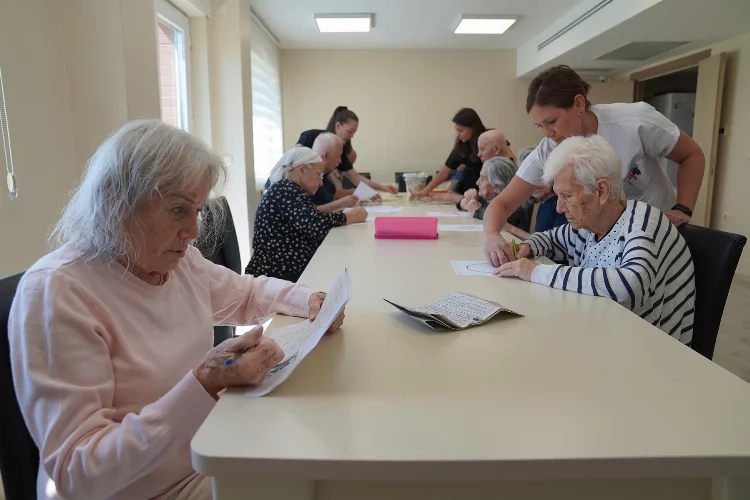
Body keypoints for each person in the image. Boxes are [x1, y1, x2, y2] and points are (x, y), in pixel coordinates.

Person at [8, 120, 347, 500]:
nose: (193, 230)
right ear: (118, 203)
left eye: (197, 210)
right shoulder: (58, 292)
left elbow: (247, 294)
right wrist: (204, 381)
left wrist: (309, 300)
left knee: (332, 461)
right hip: (144, 490)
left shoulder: (178, 262)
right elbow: (80, 471)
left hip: (208, 454)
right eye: (177, 210)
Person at [482, 65, 705, 266]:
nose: (548, 133)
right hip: (602, 239)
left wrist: (683, 208)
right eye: (540, 126)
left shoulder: (635, 122)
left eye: (551, 122)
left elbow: (692, 155)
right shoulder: (550, 146)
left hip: (650, 234)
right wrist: (491, 235)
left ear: (578, 104)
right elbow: (503, 202)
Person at [494, 135, 695, 343]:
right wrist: (527, 247)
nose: (559, 208)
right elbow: (552, 239)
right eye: (558, 196)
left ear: (601, 191)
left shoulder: (643, 224)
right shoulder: (591, 222)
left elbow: (628, 286)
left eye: (567, 196)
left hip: (651, 349)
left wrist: (535, 271)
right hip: (606, 332)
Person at [246, 147, 367, 282]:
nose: (321, 182)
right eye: (320, 175)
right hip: (276, 276)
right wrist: (350, 216)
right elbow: (314, 223)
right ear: (303, 169)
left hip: (285, 269)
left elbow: (310, 217)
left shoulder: (289, 189)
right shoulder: (285, 189)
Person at [296, 106, 398, 195]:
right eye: (350, 131)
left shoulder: (341, 150)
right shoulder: (310, 136)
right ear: (338, 126)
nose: (352, 136)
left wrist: (383, 187)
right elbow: (292, 159)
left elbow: (356, 178)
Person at [413, 108, 488, 198]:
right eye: (457, 131)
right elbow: (444, 172)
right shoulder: (461, 146)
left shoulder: (489, 138)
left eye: (461, 131)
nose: (458, 134)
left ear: (472, 128)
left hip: (487, 191)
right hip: (468, 193)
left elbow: (508, 159)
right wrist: (425, 190)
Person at [457, 157, 531, 233]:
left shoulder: (512, 206)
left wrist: (477, 211)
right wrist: (466, 201)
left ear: (497, 186)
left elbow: (494, 219)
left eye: (482, 179)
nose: (477, 182)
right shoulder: (487, 198)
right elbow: (462, 204)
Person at [309, 132, 363, 212]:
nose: (340, 161)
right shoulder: (306, 178)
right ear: (326, 155)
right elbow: (306, 212)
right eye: (338, 156)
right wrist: (340, 204)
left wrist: (355, 194)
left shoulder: (326, 175)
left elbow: (333, 195)